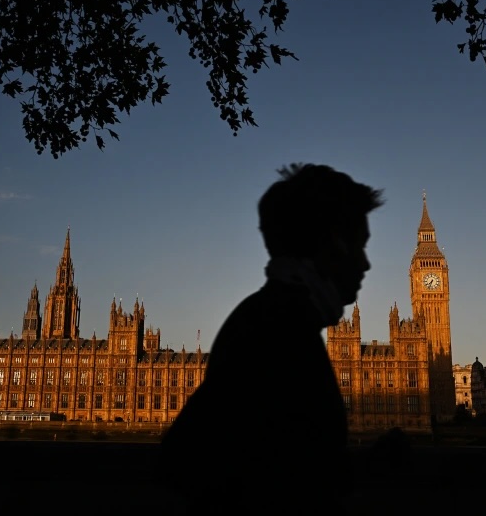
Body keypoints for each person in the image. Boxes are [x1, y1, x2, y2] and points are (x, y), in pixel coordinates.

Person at [160, 163, 384, 514]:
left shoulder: (278, 316)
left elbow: (288, 459)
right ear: (331, 245)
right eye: (360, 245)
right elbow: (274, 483)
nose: (366, 264)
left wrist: (366, 465)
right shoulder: (280, 330)